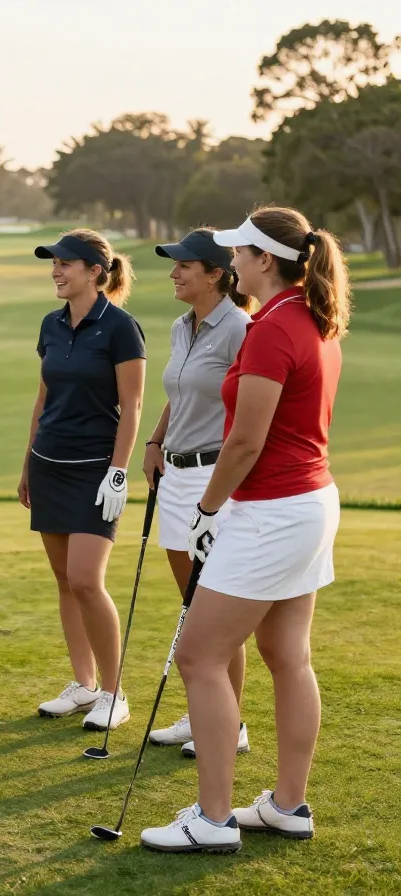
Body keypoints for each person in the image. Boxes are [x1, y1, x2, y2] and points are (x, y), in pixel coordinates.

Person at [141, 207, 349, 853]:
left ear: (263, 259)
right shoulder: (311, 317)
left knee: (199, 656)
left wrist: (206, 512)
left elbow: (244, 443)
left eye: (238, 253)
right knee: (288, 657)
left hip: (271, 511)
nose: (231, 261)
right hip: (310, 503)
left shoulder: (272, 326)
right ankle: (288, 806)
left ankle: (212, 819)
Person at [20, 230, 145, 731]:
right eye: (53, 263)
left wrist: (118, 470)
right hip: (50, 463)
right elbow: (44, 398)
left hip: (96, 471)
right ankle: (84, 683)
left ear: (95, 271)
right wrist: (28, 463)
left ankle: (115, 693)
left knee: (88, 581)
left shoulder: (120, 327)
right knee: (64, 581)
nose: (56, 270)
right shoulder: (51, 324)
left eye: (65, 263)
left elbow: (132, 405)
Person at [145, 229, 257, 758]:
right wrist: (155, 440)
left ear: (215, 274)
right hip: (174, 475)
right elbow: (180, 392)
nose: (174, 272)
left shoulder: (241, 329)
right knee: (191, 605)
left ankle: (229, 726)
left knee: (213, 612)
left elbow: (254, 406)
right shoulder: (179, 327)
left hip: (215, 479)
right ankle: (203, 714)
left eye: (183, 265)